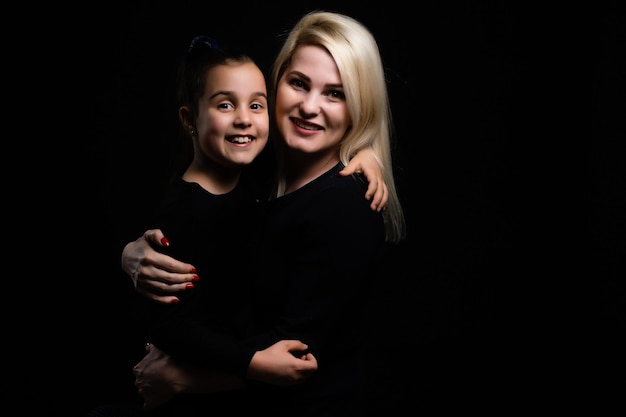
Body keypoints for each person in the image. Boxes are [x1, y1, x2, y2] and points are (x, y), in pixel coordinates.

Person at [89, 23, 391, 416]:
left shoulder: (345, 205)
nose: (310, 106)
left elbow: (298, 356)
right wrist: (130, 255)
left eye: (336, 94)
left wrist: (182, 379)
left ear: (360, 106)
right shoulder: (256, 167)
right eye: (298, 83)